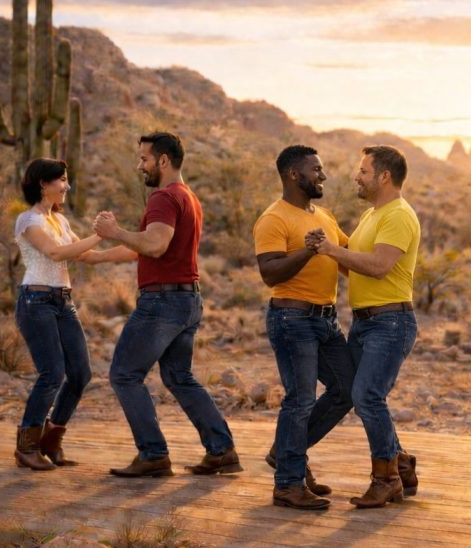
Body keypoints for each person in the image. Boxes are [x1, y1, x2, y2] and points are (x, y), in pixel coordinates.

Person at [87, 132, 241, 477]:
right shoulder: (188, 197)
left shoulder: (163, 197)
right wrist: (97, 257)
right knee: (178, 377)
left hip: (162, 303)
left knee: (124, 375)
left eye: (144, 159)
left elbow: (154, 245)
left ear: (163, 160)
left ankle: (153, 454)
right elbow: (147, 246)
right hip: (187, 300)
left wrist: (114, 231)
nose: (139, 165)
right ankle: (222, 451)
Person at [310, 145, 420, 508]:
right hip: (365, 323)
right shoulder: (373, 215)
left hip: (390, 322)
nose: (356, 177)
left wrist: (332, 250)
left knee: (368, 396)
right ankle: (400, 464)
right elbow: (357, 266)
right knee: (358, 393)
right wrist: (328, 248)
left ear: (384, 176)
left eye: (363, 171)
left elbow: (378, 266)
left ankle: (386, 479)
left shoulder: (398, 215)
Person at [254, 145, 356, 510]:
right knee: (300, 400)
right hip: (292, 319)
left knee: (347, 390)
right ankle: (288, 483)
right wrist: (308, 251)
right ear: (294, 175)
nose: (323, 175)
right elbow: (269, 273)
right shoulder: (273, 218)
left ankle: (286, 455)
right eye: (316, 170)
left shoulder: (325, 216)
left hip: (326, 320)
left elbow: (347, 258)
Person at [13, 158, 100, 471]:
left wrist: (135, 248)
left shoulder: (60, 221)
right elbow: (55, 252)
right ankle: (27, 447)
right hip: (36, 301)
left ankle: (50, 441)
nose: (67, 186)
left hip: (63, 302)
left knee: (80, 374)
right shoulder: (27, 220)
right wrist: (101, 234)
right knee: (52, 373)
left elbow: (86, 255)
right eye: (61, 179)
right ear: (43, 183)